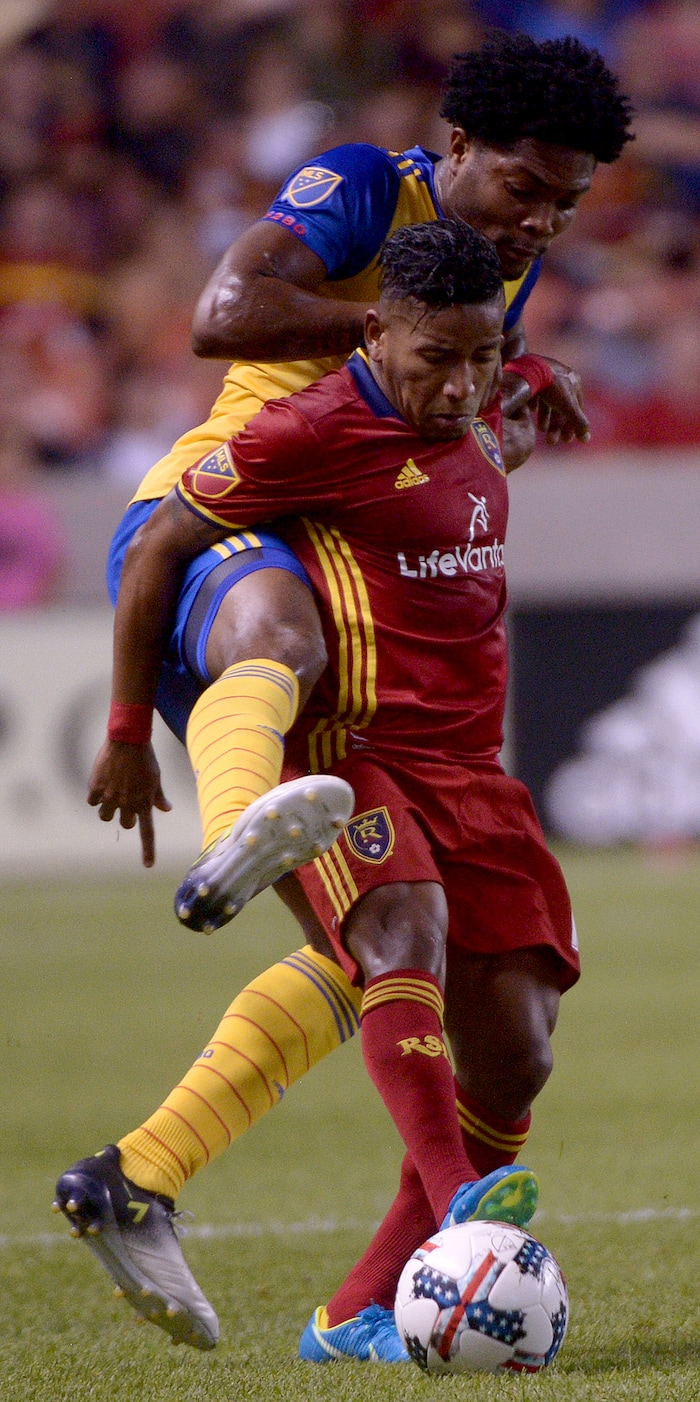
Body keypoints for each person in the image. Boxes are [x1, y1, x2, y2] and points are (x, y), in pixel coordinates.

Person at [55, 220, 578, 1362]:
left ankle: (348, 1317)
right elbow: (155, 548)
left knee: (518, 1043)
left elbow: (496, 395)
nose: (459, 384)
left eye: (482, 356)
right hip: (354, 747)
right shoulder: (313, 430)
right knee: (399, 934)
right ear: (377, 332)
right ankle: (459, 1209)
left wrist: (534, 382)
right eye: (436, 357)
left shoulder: (479, 401)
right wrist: (129, 725)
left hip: (471, 767)